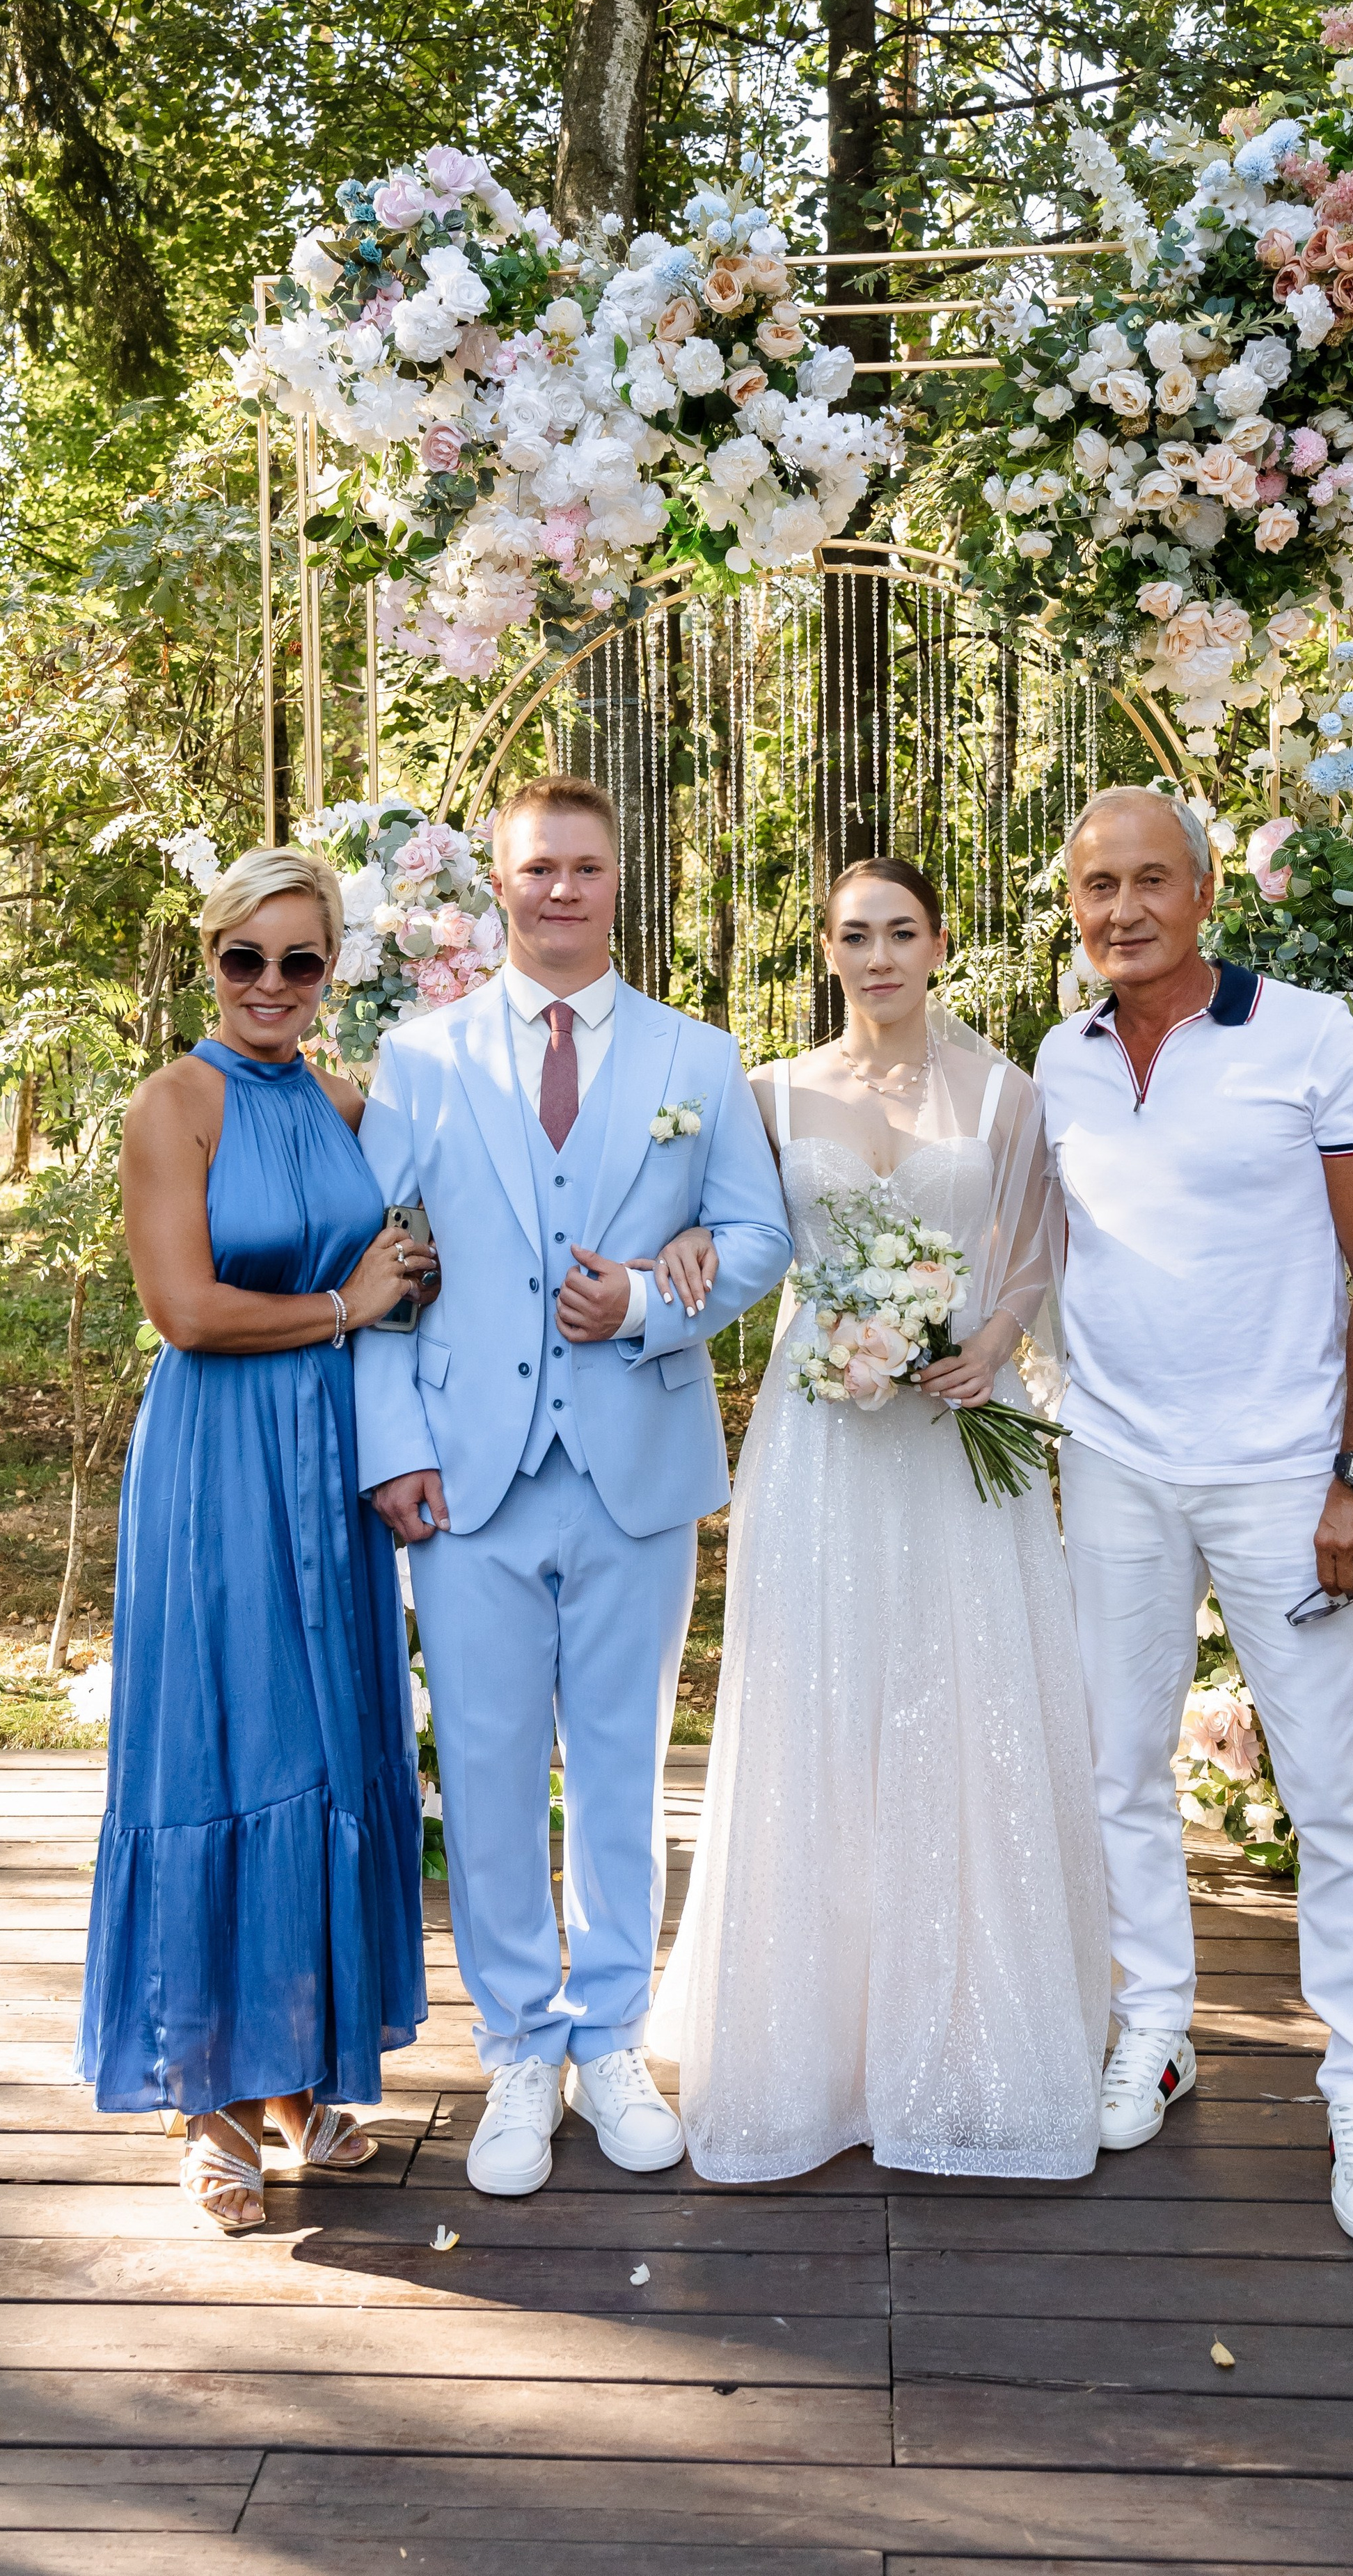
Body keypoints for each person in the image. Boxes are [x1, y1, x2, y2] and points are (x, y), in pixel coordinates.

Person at [352, 774, 792, 2198]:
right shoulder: (420, 1060)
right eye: (534, 867)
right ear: (497, 883)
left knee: (618, 1766)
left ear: (620, 881)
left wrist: (659, 1311)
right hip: (466, 1475)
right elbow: (365, 1272)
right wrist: (391, 1448)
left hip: (632, 1470)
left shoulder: (696, 1058)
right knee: (483, 1774)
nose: (558, 890)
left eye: (584, 867)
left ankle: (611, 2038)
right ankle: (517, 2052)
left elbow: (755, 1234)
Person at [651, 859, 1112, 2184]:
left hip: (960, 1437)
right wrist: (683, 1254)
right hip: (825, 1446)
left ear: (940, 943)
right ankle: (811, 2045)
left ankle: (972, 2032)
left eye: (901, 932)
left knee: (966, 1700)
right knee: (823, 1703)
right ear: (828, 951)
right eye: (854, 936)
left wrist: (997, 1340)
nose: (878, 956)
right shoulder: (773, 1092)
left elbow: (1034, 1246)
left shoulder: (1007, 1094)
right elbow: (725, 1228)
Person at [1037, 784, 1353, 2246]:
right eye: (1094, 888)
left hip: (1284, 1477)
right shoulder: (1061, 1058)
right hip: (1117, 1465)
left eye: (1147, 883)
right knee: (1116, 1771)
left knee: (1332, 1795)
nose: (1120, 911)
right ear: (1072, 908)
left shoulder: (1308, 1036)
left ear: (1201, 895)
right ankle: (1155, 2028)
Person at [77, 848, 433, 2234]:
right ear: (210, 958)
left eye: (302, 963)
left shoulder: (354, 1106)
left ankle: (296, 2077)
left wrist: (414, 1276)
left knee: (329, 1738)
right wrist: (348, 1306)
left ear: (330, 971)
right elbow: (188, 1310)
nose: (273, 987)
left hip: (328, 1464)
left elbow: (405, 1262)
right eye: (247, 960)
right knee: (227, 1740)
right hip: (218, 1460)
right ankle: (209, 2099)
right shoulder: (174, 1104)